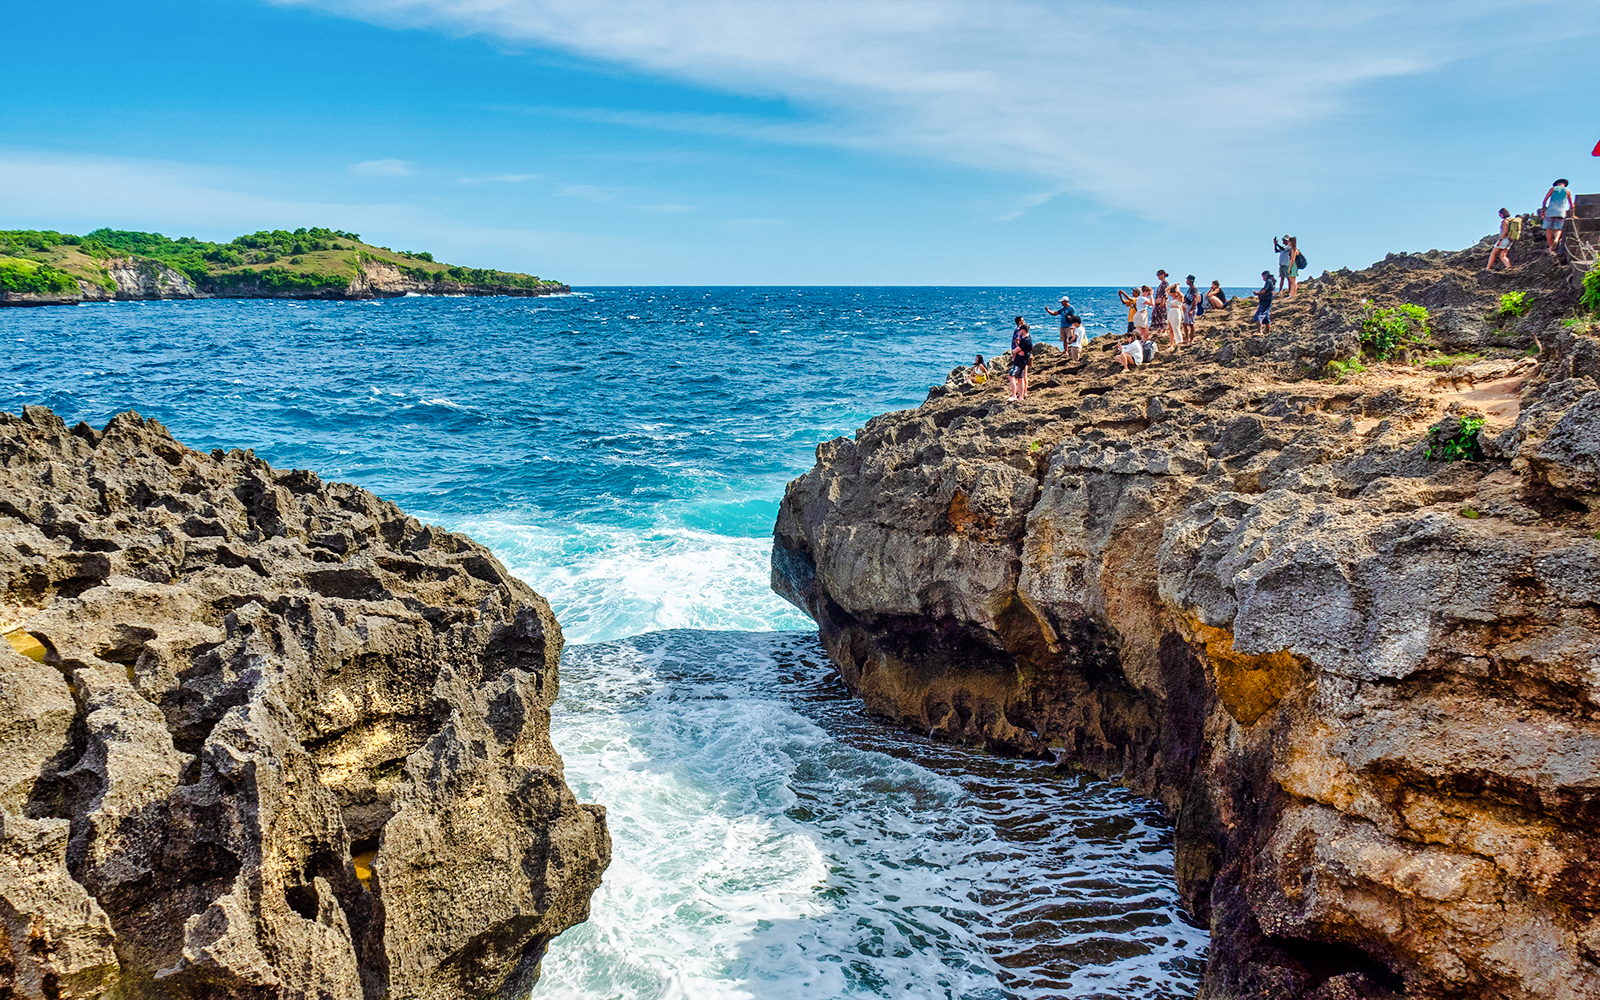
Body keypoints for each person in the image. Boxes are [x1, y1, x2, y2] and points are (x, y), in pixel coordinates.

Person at [1541, 179, 1574, 253]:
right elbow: (1571, 204)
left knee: (1548, 229)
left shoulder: (1553, 189)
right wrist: (1573, 214)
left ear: (1557, 184)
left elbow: (1545, 200)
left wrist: (1543, 209)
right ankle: (1556, 239)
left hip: (1550, 211)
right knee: (1558, 229)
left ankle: (1550, 247)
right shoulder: (1567, 191)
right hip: (1561, 212)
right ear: (1564, 184)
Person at [1008, 322, 1033, 401]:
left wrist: (1015, 351)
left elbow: (1014, 350)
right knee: (1020, 378)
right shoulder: (1028, 338)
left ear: (1023, 330)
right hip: (1023, 360)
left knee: (1011, 376)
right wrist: (1018, 351)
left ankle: (1014, 395)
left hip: (1020, 361)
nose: (1019, 332)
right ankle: (1021, 396)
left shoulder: (1025, 341)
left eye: (1020, 330)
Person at [1254, 270, 1274, 334]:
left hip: (1265, 302)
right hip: (1268, 301)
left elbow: (1264, 290)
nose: (1263, 279)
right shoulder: (1272, 281)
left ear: (1265, 275)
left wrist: (1258, 293)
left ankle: (1260, 331)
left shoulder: (1268, 281)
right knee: (1266, 317)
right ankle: (1268, 332)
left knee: (1258, 315)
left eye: (1263, 277)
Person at [1152, 270, 1170, 336]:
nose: (1158, 277)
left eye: (1159, 275)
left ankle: (1164, 330)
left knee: (1163, 315)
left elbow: (1165, 292)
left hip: (1162, 301)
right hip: (1159, 301)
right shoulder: (1162, 283)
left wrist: (1163, 301)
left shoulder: (1165, 282)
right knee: (1158, 315)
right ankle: (1160, 329)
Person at [1182, 275, 1200, 340]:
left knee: (1191, 324)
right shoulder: (1190, 288)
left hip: (1191, 307)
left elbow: (1195, 299)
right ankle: (1187, 339)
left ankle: (1191, 339)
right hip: (1189, 307)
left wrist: (1191, 309)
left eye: (1187, 280)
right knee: (1185, 323)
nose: (1186, 281)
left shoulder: (1193, 289)